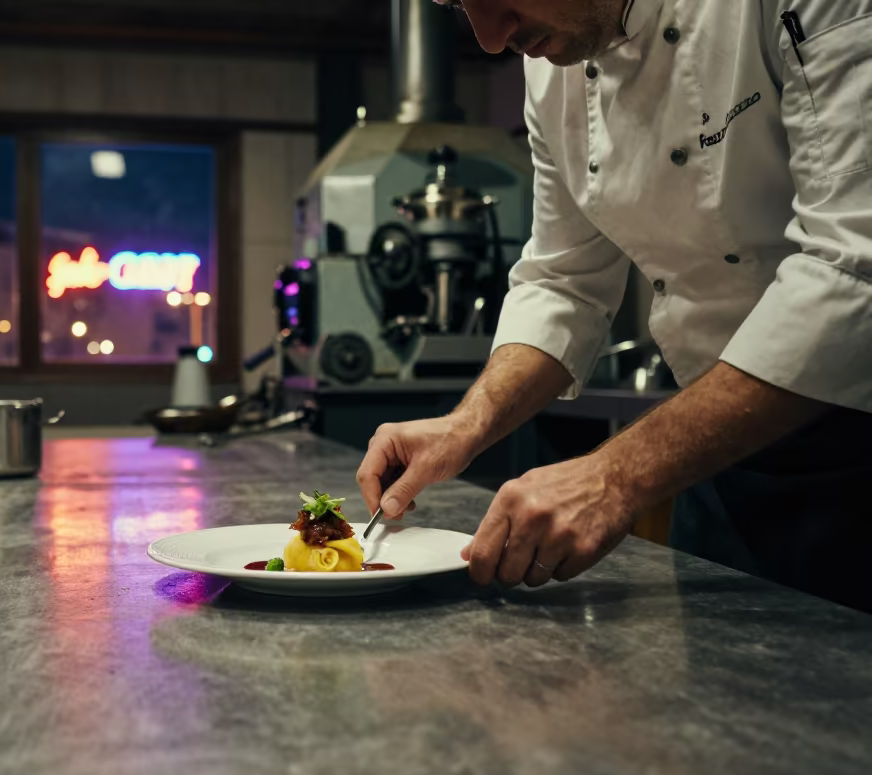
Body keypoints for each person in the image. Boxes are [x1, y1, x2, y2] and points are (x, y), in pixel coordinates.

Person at [357, 0, 872, 611]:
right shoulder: (551, 65)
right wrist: (464, 427)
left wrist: (617, 473)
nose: (491, 39)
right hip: (716, 460)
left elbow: (854, 264)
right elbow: (563, 279)